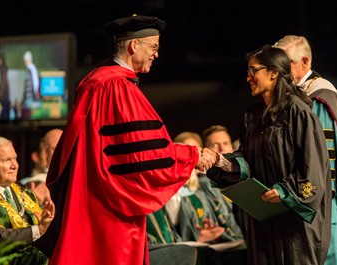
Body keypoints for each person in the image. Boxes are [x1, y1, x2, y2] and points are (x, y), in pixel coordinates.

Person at [33, 15, 213, 265]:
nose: (157, 55)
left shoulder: (93, 80)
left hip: (85, 196)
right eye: (154, 47)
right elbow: (144, 154)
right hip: (112, 207)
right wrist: (192, 155)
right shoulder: (118, 88)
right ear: (134, 46)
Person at [207, 45, 331, 265]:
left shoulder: (299, 113)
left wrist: (284, 191)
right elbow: (246, 161)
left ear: (274, 72)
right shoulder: (253, 116)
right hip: (263, 220)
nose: (248, 78)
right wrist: (221, 162)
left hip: (294, 224)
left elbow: (314, 171)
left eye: (253, 71)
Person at [273, 35, 337, 265]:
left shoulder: (320, 97)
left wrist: (313, 204)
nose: (280, 72)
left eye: (286, 65)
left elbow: (326, 164)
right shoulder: (296, 94)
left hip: (323, 204)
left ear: (305, 62)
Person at [0, 137, 55, 264]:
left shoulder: (26, 194)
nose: (14, 165)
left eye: (15, 158)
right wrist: (38, 230)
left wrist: (49, 223)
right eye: (7, 160)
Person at [22, 51, 39, 118]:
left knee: (30, 115)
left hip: (30, 98)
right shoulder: (32, 69)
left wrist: (34, 96)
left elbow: (34, 84)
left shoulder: (30, 69)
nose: (25, 62)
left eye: (25, 60)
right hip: (31, 97)